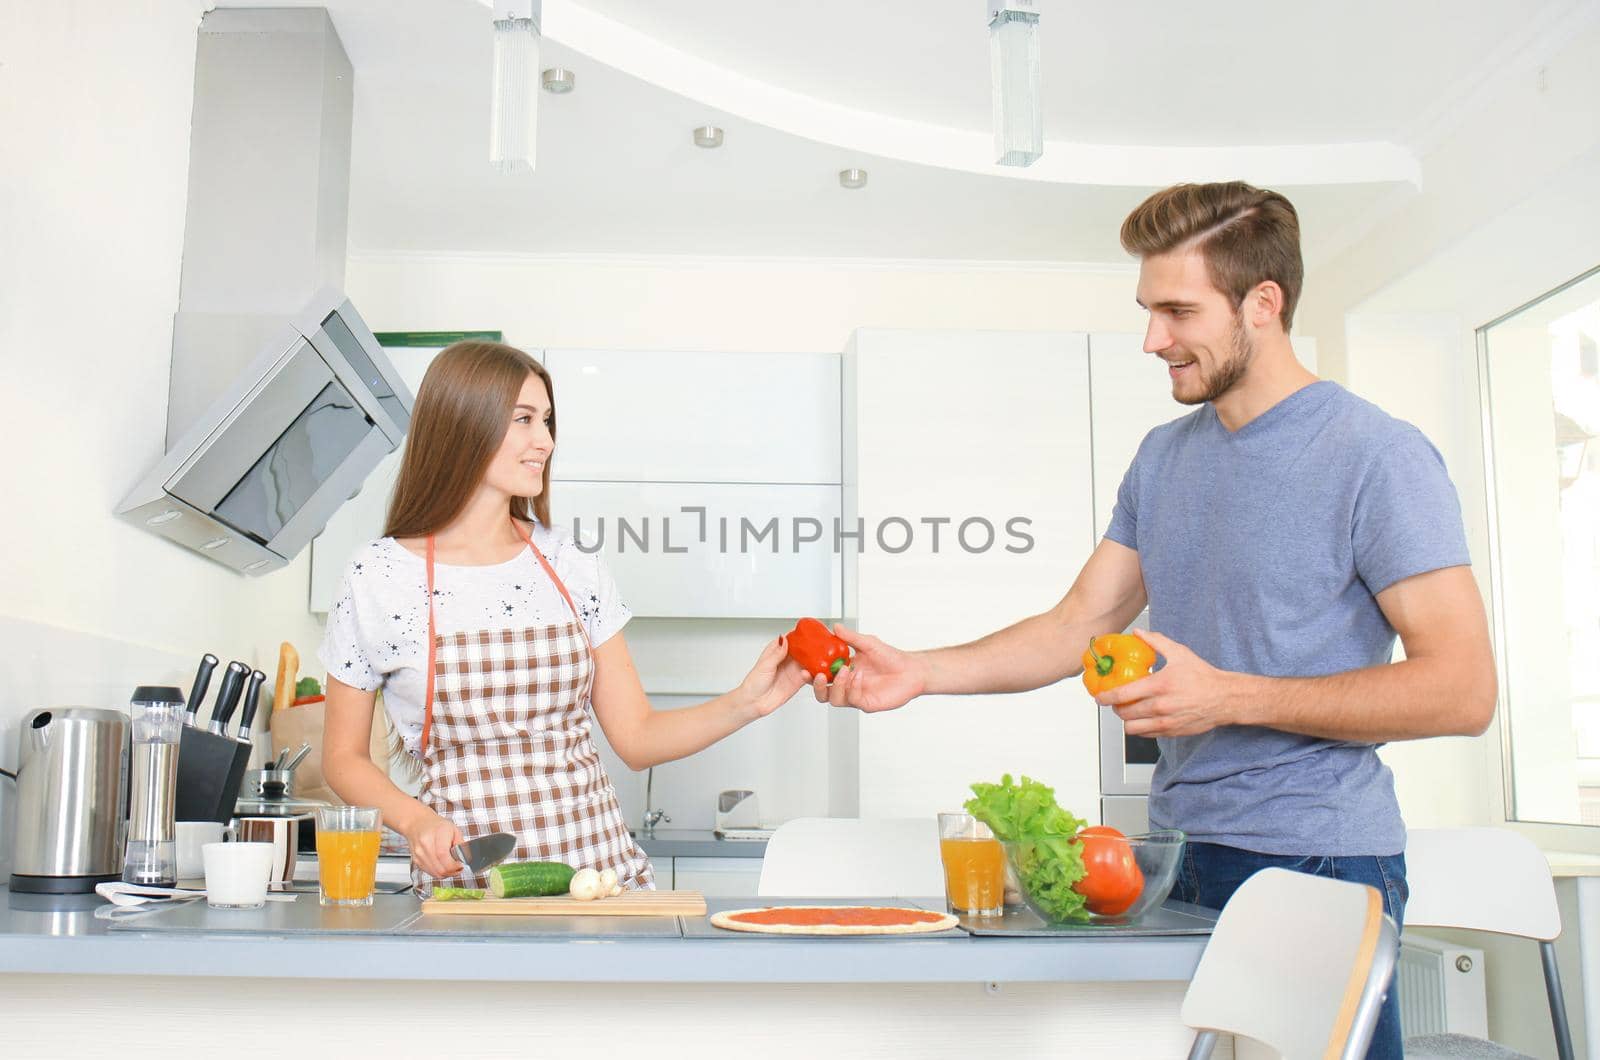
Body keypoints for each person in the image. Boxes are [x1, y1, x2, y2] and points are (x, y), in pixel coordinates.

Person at [812, 182, 1497, 1059]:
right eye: (1146, 309)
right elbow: (1076, 626)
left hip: (1318, 862)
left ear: (1264, 303)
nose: (1152, 339)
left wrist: (1229, 697)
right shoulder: (1165, 457)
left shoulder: (1377, 456)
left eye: (1177, 311)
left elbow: (1462, 690)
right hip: (1180, 855)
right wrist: (921, 669)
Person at [320, 341, 807, 895]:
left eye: (547, 421)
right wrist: (415, 821)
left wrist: (747, 702)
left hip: (600, 880)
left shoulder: (571, 565)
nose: (545, 442)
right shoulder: (378, 576)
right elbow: (343, 757)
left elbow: (638, 736)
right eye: (524, 419)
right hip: (470, 891)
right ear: (462, 425)